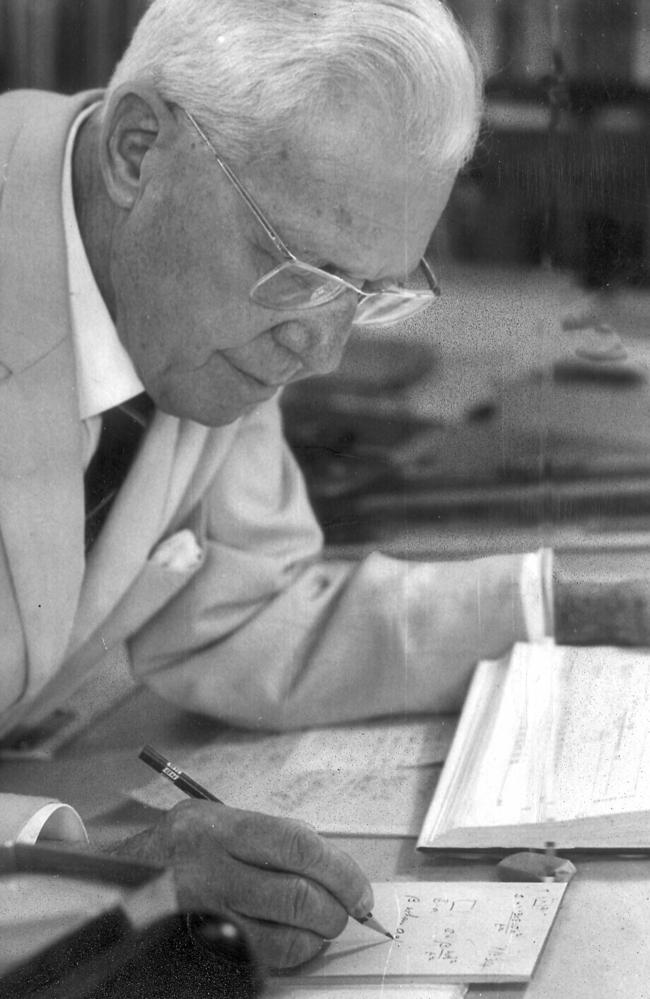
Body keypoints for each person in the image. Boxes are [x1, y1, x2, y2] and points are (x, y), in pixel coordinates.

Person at [0, 0, 644, 972]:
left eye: (368, 291)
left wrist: (559, 602)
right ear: (138, 148)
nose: (324, 350)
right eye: (300, 270)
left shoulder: (200, 291)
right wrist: (81, 873)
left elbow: (240, 610)